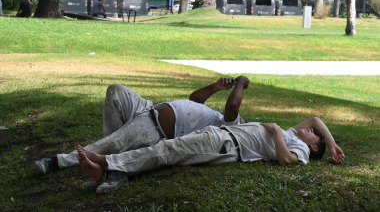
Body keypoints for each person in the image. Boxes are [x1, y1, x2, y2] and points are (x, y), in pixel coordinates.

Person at [35, 76, 250, 192]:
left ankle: (56, 162)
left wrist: (241, 82)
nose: (243, 118)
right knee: (115, 90)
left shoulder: (229, 125)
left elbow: (232, 105)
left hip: (153, 129)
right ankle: (115, 163)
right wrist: (216, 86)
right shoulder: (213, 115)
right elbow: (194, 97)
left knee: (105, 145)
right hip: (144, 110)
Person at [76, 117, 344, 188]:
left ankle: (107, 162)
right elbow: (317, 119)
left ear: (313, 146)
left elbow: (287, 160)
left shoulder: (298, 147)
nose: (308, 129)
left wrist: (275, 131)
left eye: (313, 134)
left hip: (225, 147)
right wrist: (332, 146)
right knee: (165, 148)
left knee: (168, 150)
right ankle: (108, 169)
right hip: (219, 134)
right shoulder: (293, 133)